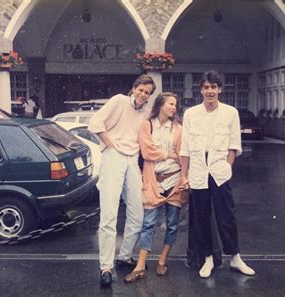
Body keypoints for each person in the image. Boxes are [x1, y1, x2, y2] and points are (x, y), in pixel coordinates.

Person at [179, 70, 255, 278]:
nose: (210, 91)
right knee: (201, 216)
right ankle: (208, 259)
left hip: (219, 170)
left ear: (219, 89)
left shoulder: (230, 112)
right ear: (201, 90)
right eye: (206, 87)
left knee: (226, 216)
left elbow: (233, 144)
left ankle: (235, 258)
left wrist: (228, 167)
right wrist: (184, 175)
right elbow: (185, 148)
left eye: (213, 87)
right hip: (197, 170)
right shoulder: (191, 114)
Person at [88, 74, 156, 287]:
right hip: (114, 156)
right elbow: (95, 123)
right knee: (109, 214)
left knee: (137, 212)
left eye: (147, 93)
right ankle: (105, 267)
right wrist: (109, 143)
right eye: (141, 90)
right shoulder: (118, 100)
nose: (143, 94)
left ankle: (124, 255)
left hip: (132, 160)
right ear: (134, 88)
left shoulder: (145, 113)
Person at [123, 92, 188, 283]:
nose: (174, 107)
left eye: (175, 104)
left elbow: (183, 154)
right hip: (154, 181)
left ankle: (162, 259)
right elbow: (147, 151)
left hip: (174, 181)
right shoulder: (147, 125)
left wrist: (184, 175)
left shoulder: (178, 128)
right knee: (148, 223)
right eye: (170, 104)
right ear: (160, 105)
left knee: (172, 223)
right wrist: (170, 155)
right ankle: (141, 265)